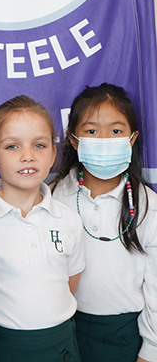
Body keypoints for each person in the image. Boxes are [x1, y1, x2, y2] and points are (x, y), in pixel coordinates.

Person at [0, 95, 85, 362]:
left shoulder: (68, 219)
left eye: (40, 145)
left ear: (54, 154)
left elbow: (70, 282)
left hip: (59, 344)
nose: (28, 156)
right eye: (12, 146)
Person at [52, 83, 157, 362]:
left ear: (132, 138)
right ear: (74, 140)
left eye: (116, 130)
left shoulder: (148, 206)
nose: (104, 139)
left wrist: (151, 351)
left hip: (124, 334)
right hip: (63, 329)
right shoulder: (53, 196)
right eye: (91, 130)